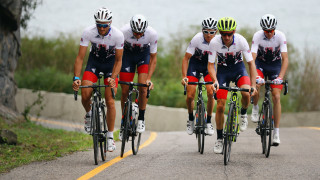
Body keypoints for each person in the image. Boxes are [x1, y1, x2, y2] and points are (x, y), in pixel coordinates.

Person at [72, 7, 124, 152]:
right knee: (85, 94)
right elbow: (80, 58)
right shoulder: (88, 32)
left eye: (104, 25)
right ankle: (89, 113)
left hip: (110, 66)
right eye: (99, 25)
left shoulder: (118, 35)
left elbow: (119, 61)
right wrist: (76, 78)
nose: (101, 28)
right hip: (93, 63)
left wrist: (113, 78)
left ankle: (109, 137)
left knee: (110, 100)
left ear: (110, 23)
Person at [207, 17, 257, 154]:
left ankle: (243, 114)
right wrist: (214, 81)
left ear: (234, 31)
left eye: (230, 34)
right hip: (222, 71)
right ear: (219, 33)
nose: (227, 37)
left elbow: (251, 64)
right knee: (221, 105)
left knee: (246, 93)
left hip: (238, 70)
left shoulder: (241, 40)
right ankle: (219, 139)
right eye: (223, 34)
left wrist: (253, 84)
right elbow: (210, 65)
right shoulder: (214, 42)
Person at [251, 14, 288, 146]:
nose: (268, 33)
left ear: (274, 29)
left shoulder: (280, 36)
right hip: (260, 64)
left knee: (276, 96)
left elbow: (285, 59)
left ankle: (276, 132)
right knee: (257, 85)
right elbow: (252, 58)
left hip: (275, 66)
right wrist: (256, 76)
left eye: (271, 31)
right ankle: (255, 107)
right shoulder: (257, 36)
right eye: (266, 31)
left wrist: (280, 77)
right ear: (262, 30)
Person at [119, 14, 158, 137]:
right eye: (136, 32)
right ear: (131, 28)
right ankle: (124, 121)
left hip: (143, 57)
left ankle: (141, 118)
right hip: (127, 57)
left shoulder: (152, 34)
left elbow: (153, 59)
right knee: (124, 90)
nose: (138, 35)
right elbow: (117, 54)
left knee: (143, 87)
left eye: (141, 33)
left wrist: (149, 78)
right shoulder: (123, 32)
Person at [181, 17, 218, 136]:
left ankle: (208, 121)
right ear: (202, 31)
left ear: (216, 32)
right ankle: (191, 118)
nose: (208, 35)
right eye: (206, 31)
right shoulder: (197, 39)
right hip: (195, 66)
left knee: (211, 92)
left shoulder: (218, 41)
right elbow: (186, 59)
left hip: (209, 68)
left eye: (212, 32)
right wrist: (184, 76)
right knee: (191, 94)